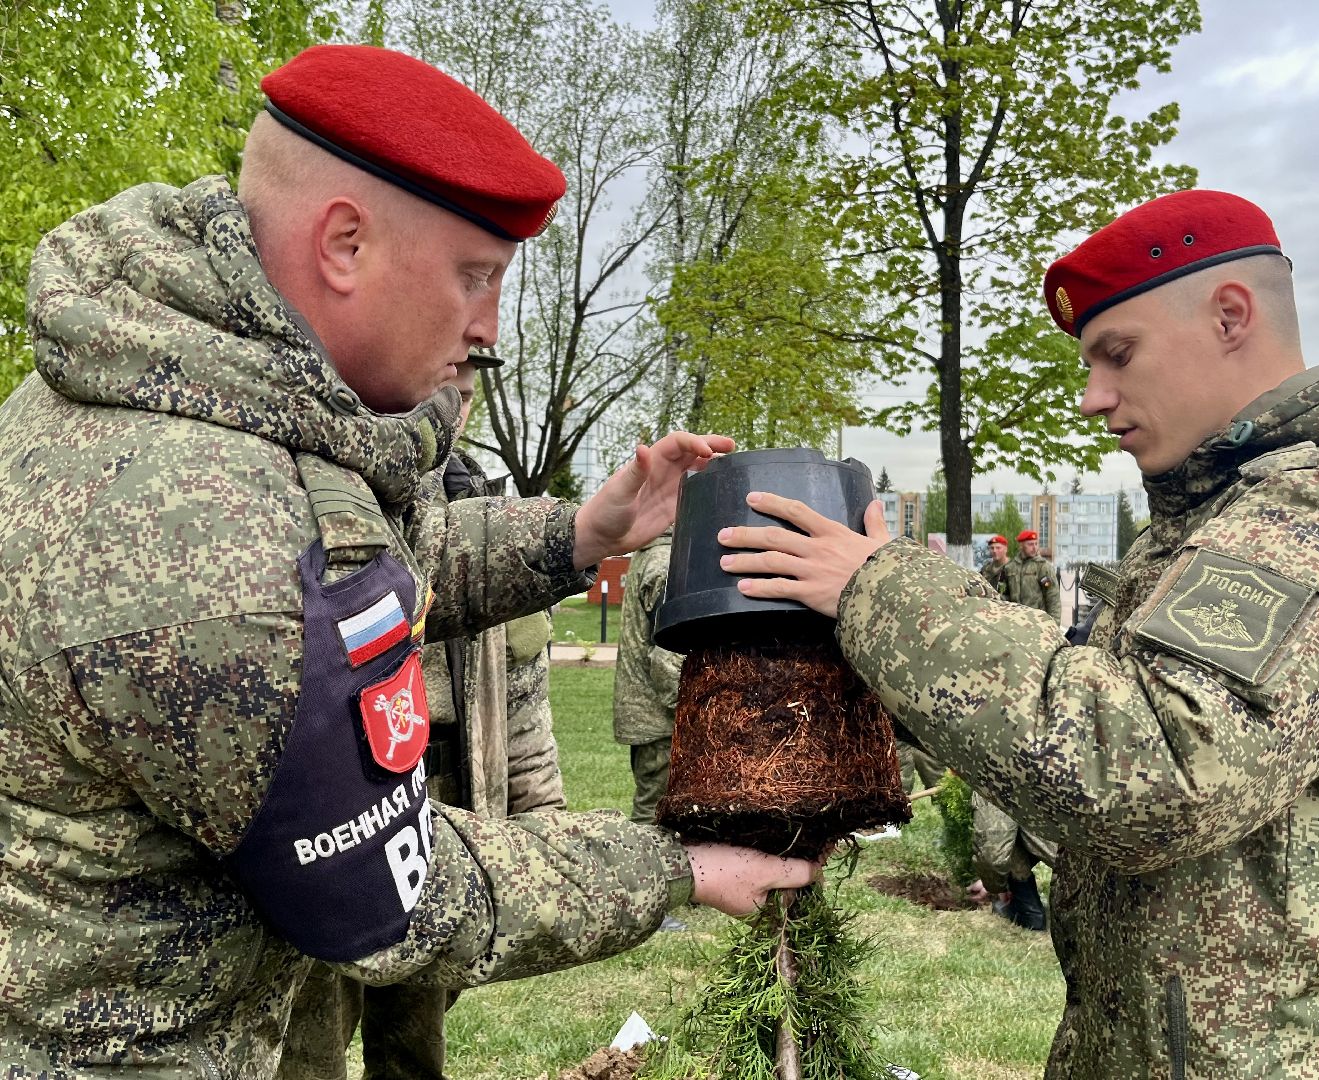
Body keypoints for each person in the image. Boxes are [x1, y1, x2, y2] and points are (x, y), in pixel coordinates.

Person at [0, 44, 817, 1075]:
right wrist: (677, 867)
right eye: (476, 278)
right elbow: (396, 890)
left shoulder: (184, 380)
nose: (487, 330)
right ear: (345, 244)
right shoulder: (205, 545)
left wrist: (580, 535)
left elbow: (367, 570)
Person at [716, 189, 1319, 1076]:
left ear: (1230, 315)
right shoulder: (1223, 514)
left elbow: (1156, 771)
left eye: (1118, 354)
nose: (1094, 399)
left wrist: (881, 591)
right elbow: (1084, 724)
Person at [278, 360, 566, 1079]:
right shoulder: (327, 492)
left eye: (465, 395)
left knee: (417, 1027)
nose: (452, 409)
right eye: (442, 388)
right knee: (315, 1024)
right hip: (345, 797)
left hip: (444, 797)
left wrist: (540, 808)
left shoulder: (478, 504)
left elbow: (521, 686)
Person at [970, 529, 1058, 930]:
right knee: (1000, 843)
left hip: (1039, 770)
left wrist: (1050, 633)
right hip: (1001, 759)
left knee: (1054, 846)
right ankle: (1021, 905)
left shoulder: (1041, 570)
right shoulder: (1003, 573)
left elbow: (1052, 602)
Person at [613, 528, 684, 828]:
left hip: (651, 719)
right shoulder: (665, 562)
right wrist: (692, 711)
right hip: (660, 722)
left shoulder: (653, 553)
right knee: (655, 817)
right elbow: (667, 657)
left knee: (658, 810)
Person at [1006, 529, 1060, 621]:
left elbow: (1052, 596)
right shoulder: (1010, 567)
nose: (1034, 547)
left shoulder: (1042, 567)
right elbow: (1004, 595)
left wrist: (1054, 623)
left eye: (1036, 544)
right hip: (1014, 620)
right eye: (1030, 544)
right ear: (1021, 545)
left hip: (1036, 620)